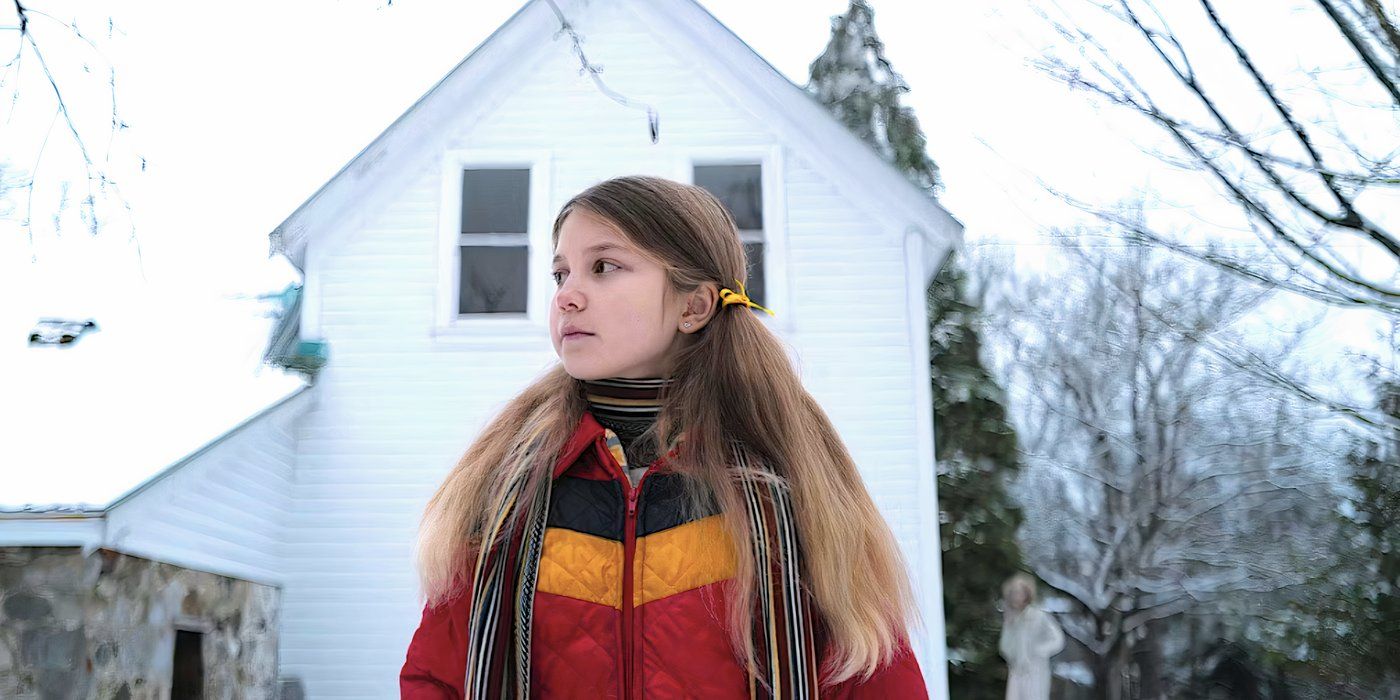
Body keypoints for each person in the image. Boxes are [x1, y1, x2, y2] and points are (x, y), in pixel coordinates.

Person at [399, 175, 929, 699]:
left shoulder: (786, 491)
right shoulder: (509, 487)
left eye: (603, 267)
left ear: (693, 307)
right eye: (561, 274)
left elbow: (871, 671)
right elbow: (437, 676)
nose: (566, 296)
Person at [997, 573, 1064, 700]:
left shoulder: (1038, 616)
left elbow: (1058, 639)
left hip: (1036, 671)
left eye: (1019, 593)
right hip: (1017, 672)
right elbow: (1004, 648)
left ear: (1027, 594)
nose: (1016, 597)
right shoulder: (1012, 619)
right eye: (1013, 593)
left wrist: (1039, 651)